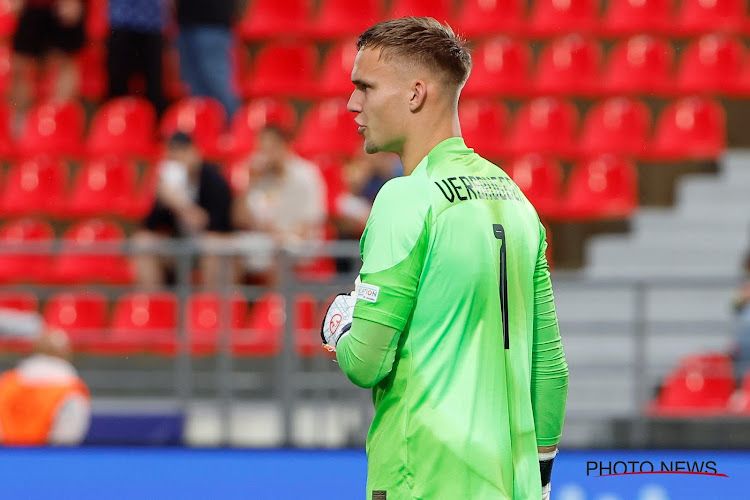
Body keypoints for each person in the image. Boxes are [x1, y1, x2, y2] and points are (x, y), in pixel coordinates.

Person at [319, 18, 568, 500]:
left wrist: (340, 324)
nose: (353, 103)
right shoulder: (517, 199)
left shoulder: (404, 199)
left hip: (423, 479)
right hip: (511, 484)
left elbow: (366, 362)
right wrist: (538, 480)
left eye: (365, 87)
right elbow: (550, 368)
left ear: (415, 94)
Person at [133, 131, 234, 288]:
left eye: (183, 152)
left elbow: (218, 225)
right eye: (174, 154)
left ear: (195, 152)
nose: (179, 159)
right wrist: (161, 198)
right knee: (143, 242)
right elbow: (150, 226)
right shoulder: (167, 185)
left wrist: (179, 204)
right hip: (178, 245)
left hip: (205, 248)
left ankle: (207, 309)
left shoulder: (213, 180)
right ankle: (152, 307)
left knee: (213, 246)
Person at [233, 126, 327, 283]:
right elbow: (239, 219)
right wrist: (248, 184)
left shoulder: (306, 174)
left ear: (282, 146)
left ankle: (276, 306)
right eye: (262, 149)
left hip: (298, 242)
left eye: (270, 149)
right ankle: (230, 305)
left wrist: (281, 236)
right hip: (264, 240)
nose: (265, 155)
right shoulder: (259, 177)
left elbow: (310, 223)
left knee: (279, 252)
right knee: (228, 252)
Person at [0, 329, 90, 446]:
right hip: (46, 459)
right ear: (65, 354)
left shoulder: (8, 382)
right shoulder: (70, 389)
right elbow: (67, 438)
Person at [10, 0, 86, 123]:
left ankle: (59, 119)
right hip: (32, 6)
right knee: (21, 66)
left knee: (65, 63)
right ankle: (21, 122)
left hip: (64, 5)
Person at [175, 0, 239, 118]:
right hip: (186, 22)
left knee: (217, 84)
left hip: (213, 22)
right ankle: (205, 129)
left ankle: (237, 130)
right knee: (194, 88)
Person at [107, 0, 168, 115]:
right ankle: (115, 126)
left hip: (151, 22)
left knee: (154, 89)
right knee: (117, 87)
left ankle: (153, 127)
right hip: (121, 21)